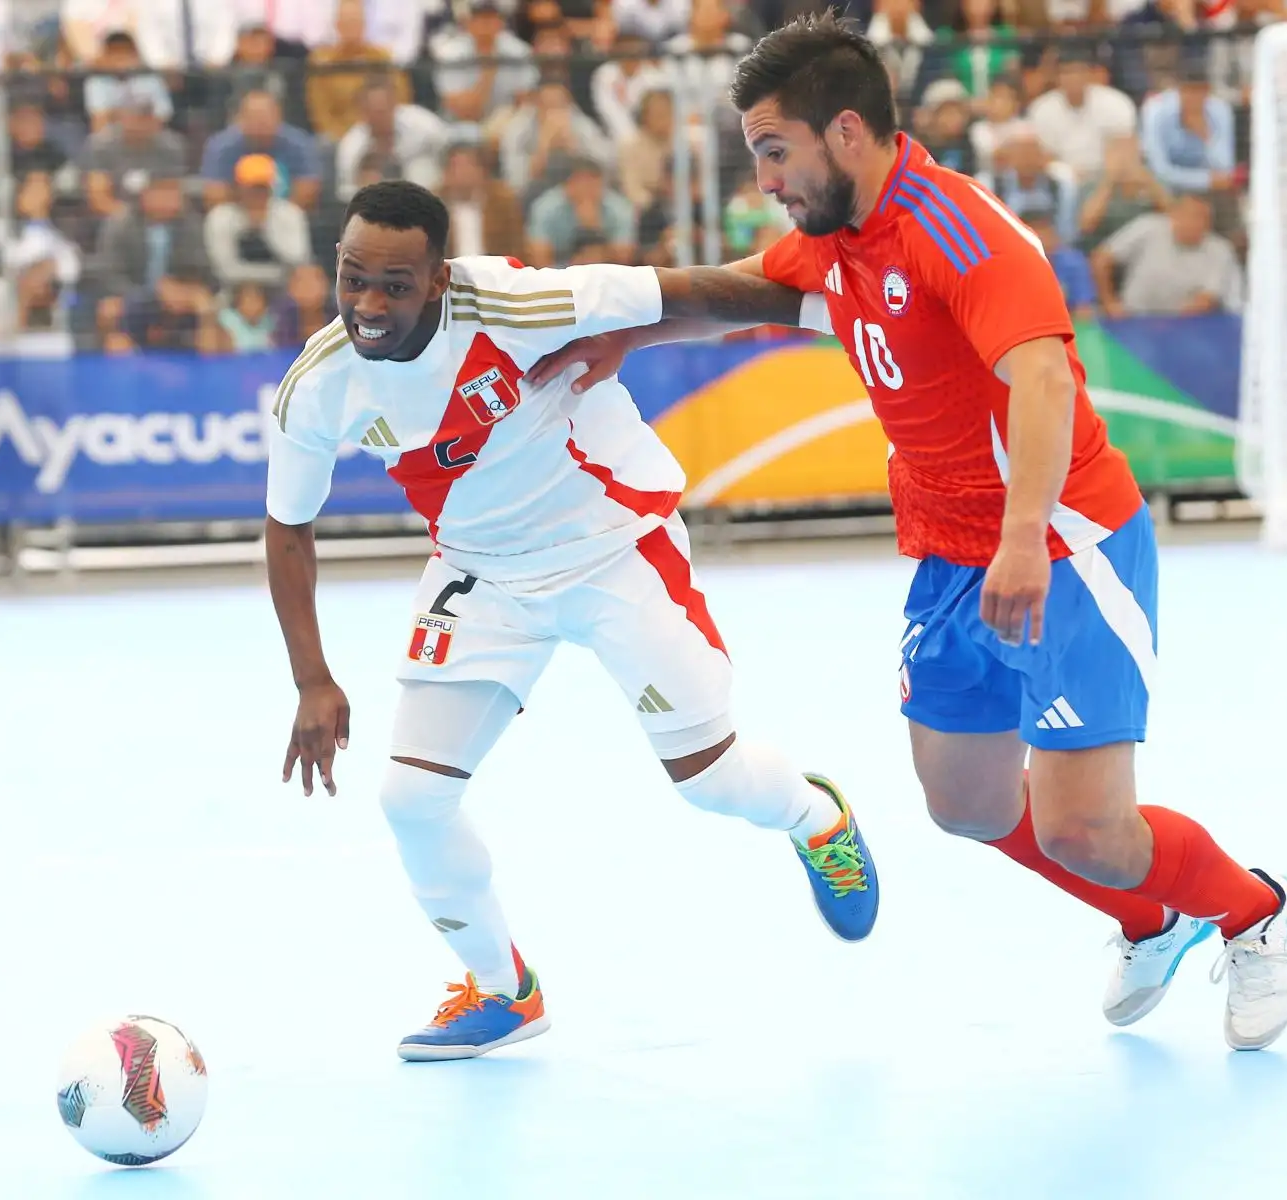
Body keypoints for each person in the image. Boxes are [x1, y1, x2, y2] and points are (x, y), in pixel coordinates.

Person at [526, 13, 1287, 1052]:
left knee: (1086, 828)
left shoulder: (958, 230)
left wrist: (1024, 536)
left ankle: (1256, 912)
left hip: (1064, 539)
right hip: (949, 554)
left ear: (846, 131)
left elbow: (1038, 379)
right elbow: (753, 290)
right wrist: (633, 326)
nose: (765, 177)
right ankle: (1144, 919)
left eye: (773, 150)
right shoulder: (841, 242)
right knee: (970, 806)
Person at [264, 181, 879, 1062]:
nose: (368, 305)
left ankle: (814, 818)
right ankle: (501, 989)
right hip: (483, 575)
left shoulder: (519, 303)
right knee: (412, 798)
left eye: (394, 286)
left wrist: (851, 315)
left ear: (438, 280)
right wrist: (311, 678)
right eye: (353, 279)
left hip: (613, 545)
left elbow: (695, 293)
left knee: (708, 780)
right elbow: (288, 528)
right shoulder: (318, 386)